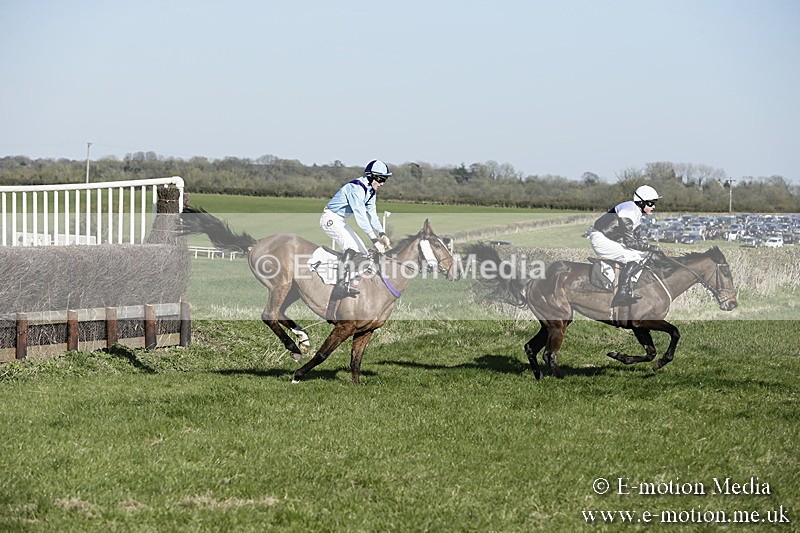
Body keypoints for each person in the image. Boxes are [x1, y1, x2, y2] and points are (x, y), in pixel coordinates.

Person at [320, 159, 393, 300]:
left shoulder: (371, 191)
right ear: (371, 176)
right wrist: (374, 239)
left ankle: (352, 283)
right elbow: (361, 217)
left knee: (364, 254)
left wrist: (382, 233)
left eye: (385, 180)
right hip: (330, 218)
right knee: (352, 248)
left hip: (340, 220)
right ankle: (339, 286)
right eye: (381, 179)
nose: (382, 183)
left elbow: (372, 215)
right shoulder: (356, 188)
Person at [589, 185, 661, 307]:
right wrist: (649, 247)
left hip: (607, 239)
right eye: (651, 203)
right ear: (641, 202)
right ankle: (621, 295)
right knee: (634, 257)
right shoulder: (629, 211)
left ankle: (629, 288)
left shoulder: (636, 212)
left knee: (641, 256)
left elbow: (636, 239)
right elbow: (630, 242)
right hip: (600, 239)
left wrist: (649, 249)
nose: (653, 206)